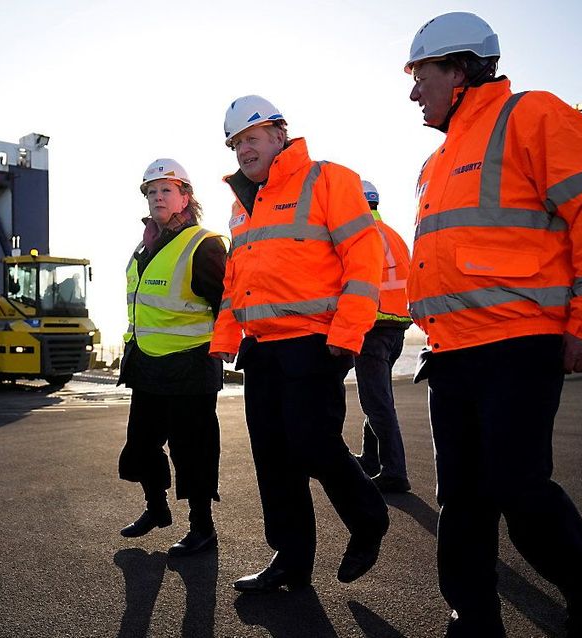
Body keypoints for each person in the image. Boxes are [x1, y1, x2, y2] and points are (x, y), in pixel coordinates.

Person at [404, 12, 582, 637]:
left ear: (457, 70)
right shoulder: (436, 163)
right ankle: (472, 614)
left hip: (518, 345)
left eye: (420, 74)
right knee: (461, 500)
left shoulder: (534, 116)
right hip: (450, 352)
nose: (412, 91)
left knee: (517, 487)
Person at [211, 95, 389, 592]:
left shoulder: (328, 179)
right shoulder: (242, 205)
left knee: (313, 444)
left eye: (250, 138)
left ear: (278, 134)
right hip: (262, 349)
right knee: (273, 458)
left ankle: (368, 519)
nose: (243, 150)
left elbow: (363, 252)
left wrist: (349, 330)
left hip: (315, 343)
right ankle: (291, 560)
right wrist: (226, 336)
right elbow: (234, 279)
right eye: (235, 143)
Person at [117, 158, 227, 557]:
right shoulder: (143, 247)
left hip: (191, 365)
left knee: (192, 451)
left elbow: (225, 304)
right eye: (151, 191)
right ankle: (156, 508)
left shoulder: (203, 244)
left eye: (166, 190)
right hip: (148, 363)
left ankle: (202, 528)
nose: (157, 197)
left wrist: (227, 349)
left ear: (185, 197)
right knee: (140, 447)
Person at [353, 180, 413, 494]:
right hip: (397, 327)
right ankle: (371, 459)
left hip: (372, 328)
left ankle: (395, 472)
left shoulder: (362, 237)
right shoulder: (394, 236)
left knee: (376, 402)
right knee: (380, 398)